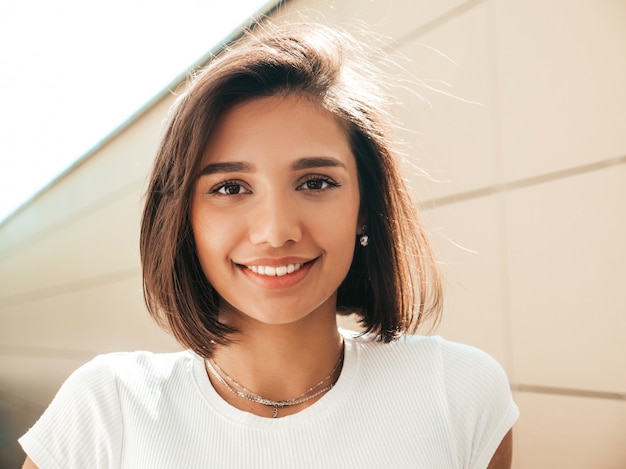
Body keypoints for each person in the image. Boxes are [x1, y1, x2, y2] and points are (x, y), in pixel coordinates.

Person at [20, 21, 518, 468]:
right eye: (230, 188)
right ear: (182, 217)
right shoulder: (108, 408)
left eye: (316, 182)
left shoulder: (457, 391)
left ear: (365, 205)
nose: (276, 231)